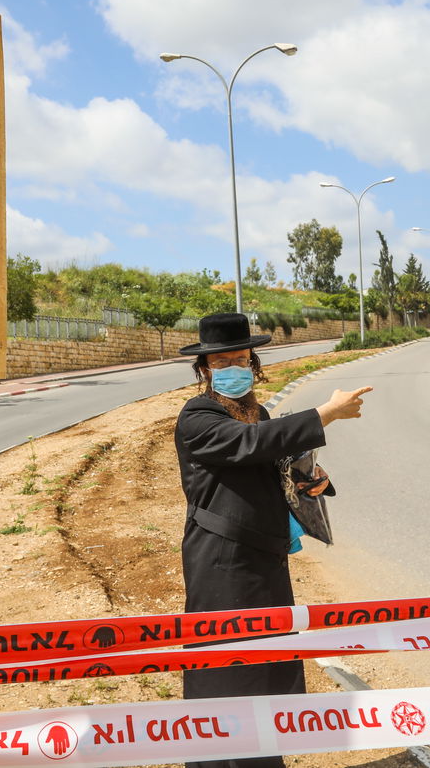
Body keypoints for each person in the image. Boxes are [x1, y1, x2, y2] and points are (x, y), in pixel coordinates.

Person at [175, 312, 371, 768]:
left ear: (254, 361)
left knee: (269, 659)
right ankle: (216, 762)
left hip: (265, 555)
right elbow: (250, 444)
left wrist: (310, 480)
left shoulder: (256, 411)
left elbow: (270, 459)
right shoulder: (197, 417)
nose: (232, 367)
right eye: (220, 361)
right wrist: (324, 413)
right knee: (226, 662)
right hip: (222, 558)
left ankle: (263, 758)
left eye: (240, 358)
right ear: (204, 368)